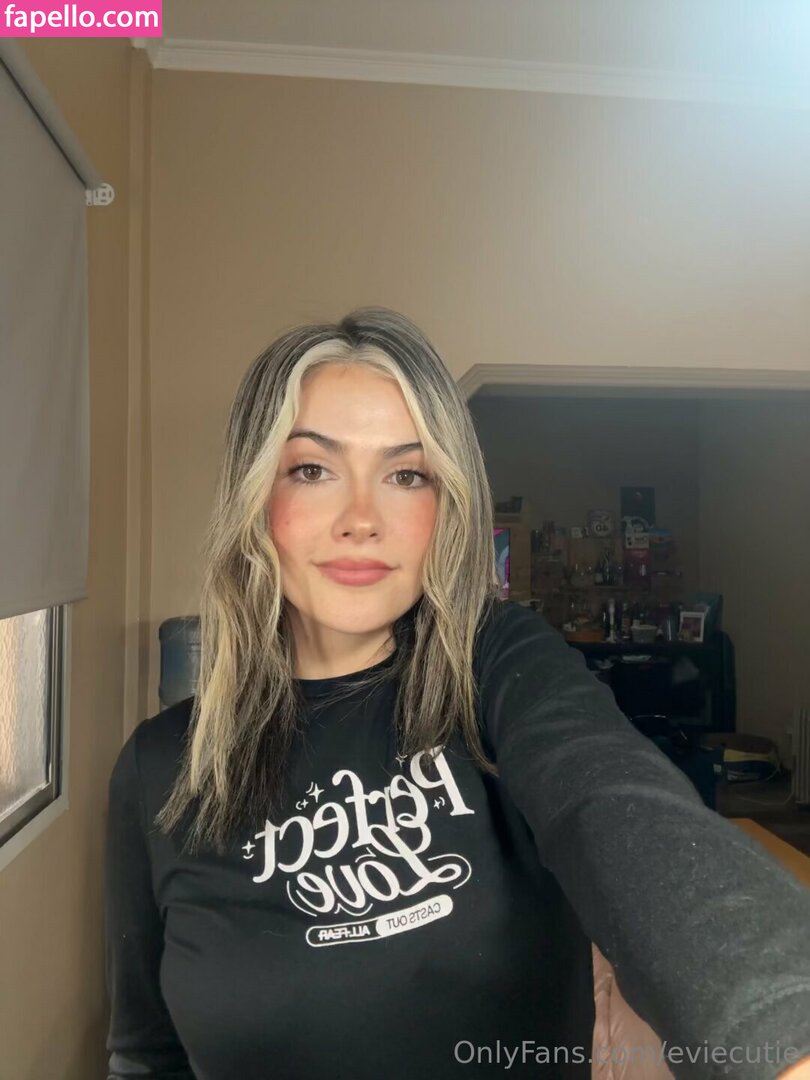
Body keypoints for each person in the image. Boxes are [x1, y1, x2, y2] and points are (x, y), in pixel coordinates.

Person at [104, 308, 810, 1080]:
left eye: (407, 475)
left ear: (446, 510)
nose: (362, 520)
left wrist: (779, 1018)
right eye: (311, 469)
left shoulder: (500, 667)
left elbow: (616, 801)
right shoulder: (160, 766)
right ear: (254, 499)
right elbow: (145, 1055)